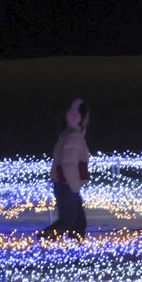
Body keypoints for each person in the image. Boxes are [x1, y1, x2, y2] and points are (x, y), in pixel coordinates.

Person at [43, 99, 90, 237]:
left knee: (78, 222)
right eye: (87, 116)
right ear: (79, 118)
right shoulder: (74, 137)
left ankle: (75, 245)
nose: (88, 120)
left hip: (67, 184)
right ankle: (43, 240)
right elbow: (68, 164)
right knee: (68, 222)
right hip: (66, 185)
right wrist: (74, 187)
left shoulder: (73, 134)